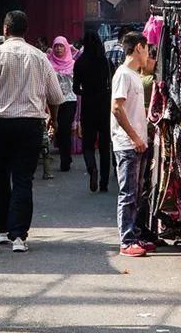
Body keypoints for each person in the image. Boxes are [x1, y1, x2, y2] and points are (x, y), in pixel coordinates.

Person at [0, 11, 64, 253]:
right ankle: (19, 236)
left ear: (6, 29)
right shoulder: (40, 57)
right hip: (30, 125)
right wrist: (54, 118)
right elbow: (54, 95)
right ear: (26, 31)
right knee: (23, 179)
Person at [112, 32, 151, 257]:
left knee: (136, 193)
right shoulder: (124, 75)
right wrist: (135, 137)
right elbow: (117, 108)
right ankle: (126, 241)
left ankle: (134, 235)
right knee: (128, 193)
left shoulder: (134, 75)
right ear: (138, 47)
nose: (147, 55)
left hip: (137, 143)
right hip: (127, 144)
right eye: (146, 49)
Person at [73, 30, 112, 192]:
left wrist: (85, 92)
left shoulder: (80, 62)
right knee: (104, 146)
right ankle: (104, 183)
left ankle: (92, 169)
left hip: (88, 106)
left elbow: (76, 88)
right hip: (105, 106)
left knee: (88, 144)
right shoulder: (106, 62)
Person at [48, 36, 78, 172]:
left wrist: (74, 48)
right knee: (58, 130)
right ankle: (65, 154)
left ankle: (65, 160)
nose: (59, 49)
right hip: (54, 101)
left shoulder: (73, 63)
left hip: (69, 100)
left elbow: (81, 53)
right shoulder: (48, 62)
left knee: (65, 129)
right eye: (56, 46)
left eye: (61, 46)